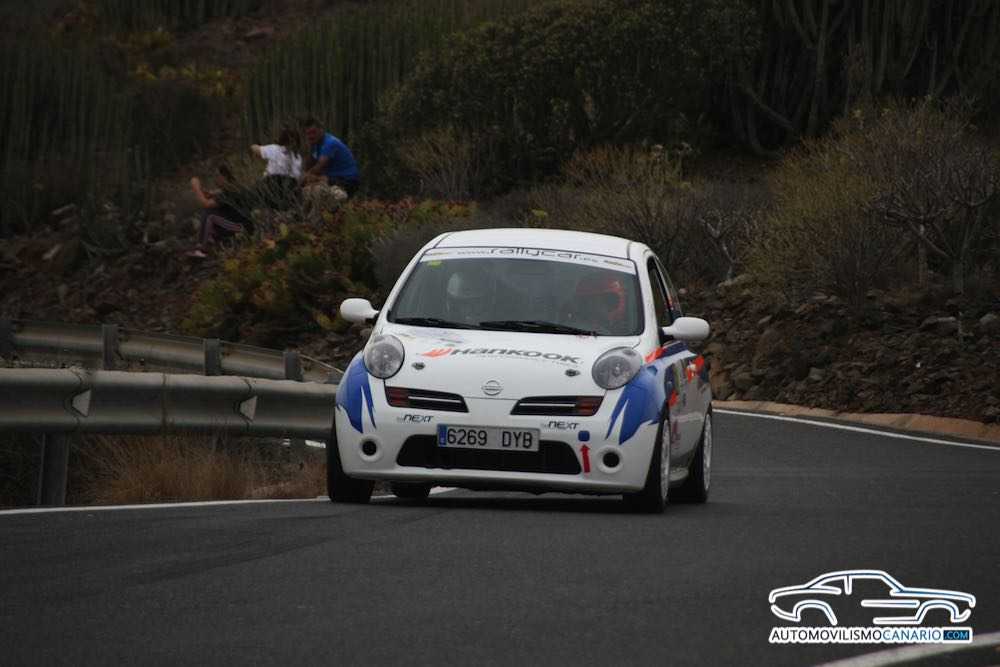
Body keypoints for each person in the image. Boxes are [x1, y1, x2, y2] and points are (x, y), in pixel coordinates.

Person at [187, 165, 256, 258]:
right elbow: (212, 194)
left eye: (217, 176)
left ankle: (201, 249)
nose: (215, 180)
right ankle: (210, 240)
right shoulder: (231, 187)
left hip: (242, 228)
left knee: (210, 215)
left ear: (224, 177)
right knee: (211, 212)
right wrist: (203, 191)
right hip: (237, 224)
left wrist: (196, 188)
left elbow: (206, 203)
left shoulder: (230, 191)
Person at [302, 117, 360, 198]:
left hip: (347, 180)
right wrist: (310, 148)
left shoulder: (330, 143)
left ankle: (340, 195)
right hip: (333, 178)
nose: (311, 136)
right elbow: (309, 166)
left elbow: (318, 167)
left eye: (314, 132)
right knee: (312, 182)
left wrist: (303, 179)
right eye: (308, 134)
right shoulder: (316, 144)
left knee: (314, 184)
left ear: (321, 130)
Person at [251, 128, 302, 211]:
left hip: (272, 185)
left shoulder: (275, 149)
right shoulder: (298, 157)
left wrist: (257, 148)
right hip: (289, 189)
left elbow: (254, 148)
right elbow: (297, 176)